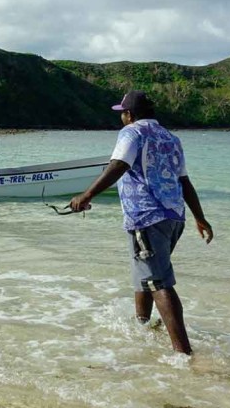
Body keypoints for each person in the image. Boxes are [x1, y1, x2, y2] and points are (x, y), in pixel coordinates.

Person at [69, 90, 213, 355]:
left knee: (158, 282)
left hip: (145, 216)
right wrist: (199, 217)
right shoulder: (171, 138)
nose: (122, 117)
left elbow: (118, 165)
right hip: (174, 217)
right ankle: (142, 327)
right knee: (145, 275)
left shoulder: (132, 133)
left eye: (122, 113)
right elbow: (184, 181)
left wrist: (87, 195)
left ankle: (184, 354)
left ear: (130, 114)